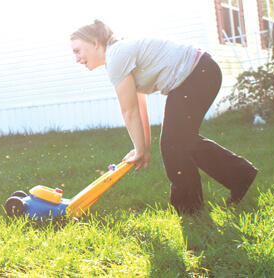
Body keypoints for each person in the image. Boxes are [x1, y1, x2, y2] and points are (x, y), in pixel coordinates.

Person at [70, 20, 258, 214]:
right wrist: (142, 148)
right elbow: (138, 104)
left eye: (77, 51)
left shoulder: (116, 57)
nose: (76, 58)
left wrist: (140, 150)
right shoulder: (118, 53)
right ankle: (238, 177)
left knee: (174, 145)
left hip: (197, 74)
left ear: (94, 42)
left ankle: (191, 209)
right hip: (201, 72)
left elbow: (129, 111)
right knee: (181, 141)